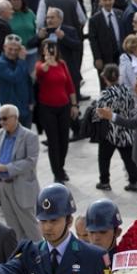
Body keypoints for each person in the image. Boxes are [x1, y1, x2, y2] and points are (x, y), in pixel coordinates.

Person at [0, 104, 40, 244]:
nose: (2, 122)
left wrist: (8, 168)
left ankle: (41, 257)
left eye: (5, 118)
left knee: (30, 227)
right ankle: (20, 257)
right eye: (0, 119)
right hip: (3, 186)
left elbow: (31, 161)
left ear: (15, 118)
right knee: (12, 227)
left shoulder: (29, 136)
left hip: (21, 186)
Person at [33, 38, 76, 183]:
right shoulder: (41, 65)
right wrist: (47, 61)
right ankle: (57, 173)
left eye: (53, 48)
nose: (51, 51)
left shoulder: (62, 64)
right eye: (48, 48)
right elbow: (38, 73)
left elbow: (69, 85)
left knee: (64, 140)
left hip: (63, 106)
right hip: (47, 108)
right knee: (54, 141)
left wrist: (74, 104)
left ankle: (61, 167)